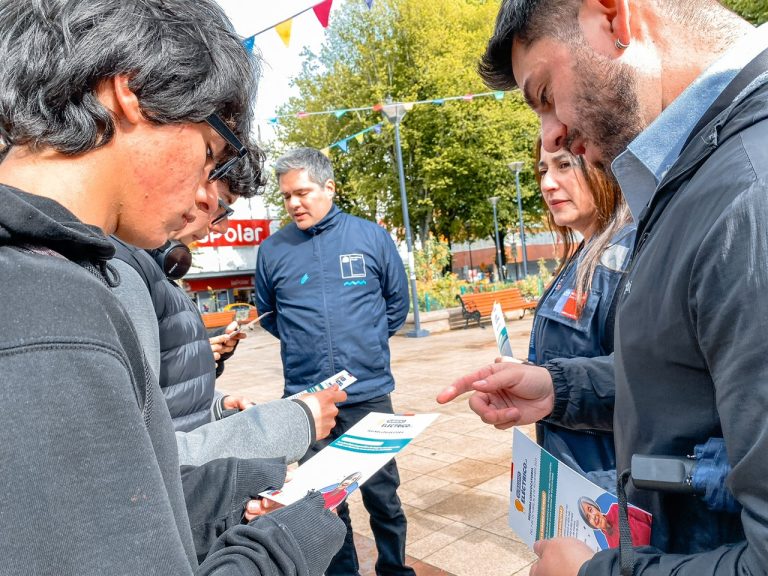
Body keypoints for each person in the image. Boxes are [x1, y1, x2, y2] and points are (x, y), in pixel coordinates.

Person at [0, 1, 345, 574]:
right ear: (132, 91)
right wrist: (286, 544)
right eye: (210, 153)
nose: (202, 193)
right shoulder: (48, 309)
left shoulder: (57, 273)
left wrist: (243, 482)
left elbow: (119, 503)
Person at [438, 1, 768, 574]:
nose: (552, 134)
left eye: (545, 94)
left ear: (614, 17)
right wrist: (559, 390)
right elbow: (688, 370)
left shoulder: (749, 195)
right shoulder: (704, 174)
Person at [255, 147, 414, 576]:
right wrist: (304, 345)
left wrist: (365, 344)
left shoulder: (370, 237)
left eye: (302, 192)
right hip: (308, 401)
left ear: (329, 188)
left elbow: (396, 305)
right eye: (286, 196)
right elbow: (270, 315)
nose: (294, 203)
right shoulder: (272, 251)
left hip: (368, 394)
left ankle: (395, 569)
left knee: (384, 496)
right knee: (324, 502)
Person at [529, 136, 634, 491]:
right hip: (574, 474)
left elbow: (649, 381)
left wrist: (552, 385)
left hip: (604, 486)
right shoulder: (587, 250)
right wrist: (531, 374)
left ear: (602, 166)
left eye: (564, 165)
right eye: (543, 170)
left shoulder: (630, 254)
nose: (547, 183)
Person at [577, 496, 652, 550]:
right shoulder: (611, 548)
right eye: (588, 518)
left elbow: (647, 516)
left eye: (590, 510)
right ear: (590, 524)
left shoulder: (616, 509)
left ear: (595, 507)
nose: (593, 517)